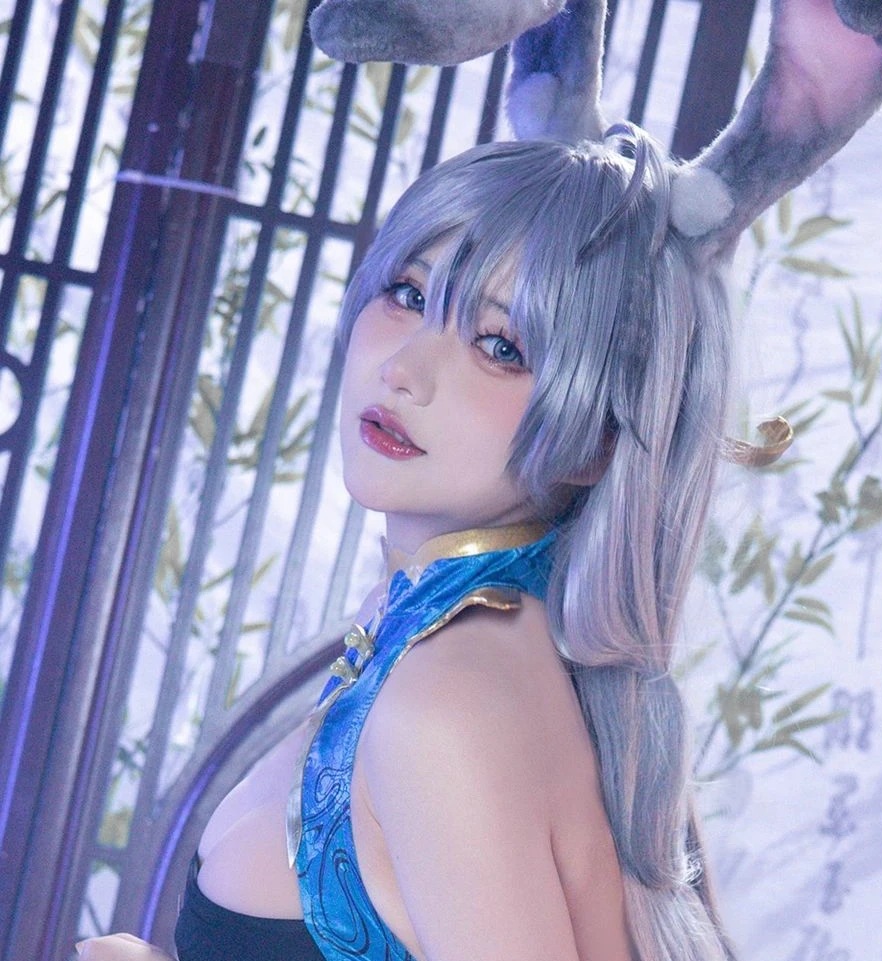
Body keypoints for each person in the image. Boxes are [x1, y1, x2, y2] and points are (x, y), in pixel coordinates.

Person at [76, 126, 739, 961]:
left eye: (500, 346)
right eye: (408, 293)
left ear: (599, 440)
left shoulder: (447, 695)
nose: (406, 369)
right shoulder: (456, 628)